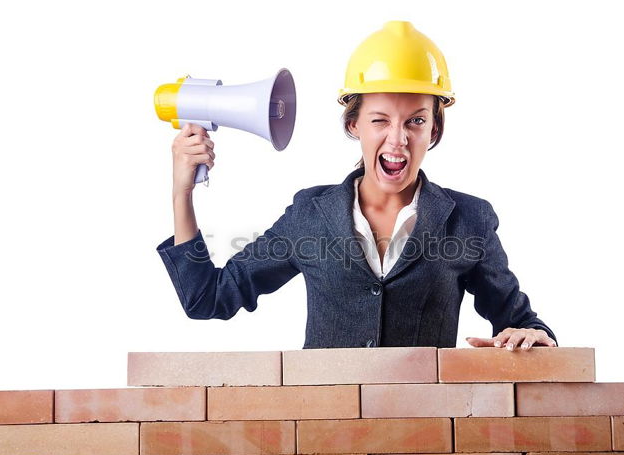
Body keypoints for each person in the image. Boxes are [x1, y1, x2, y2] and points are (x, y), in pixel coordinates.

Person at [156, 20, 557, 351]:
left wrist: (532, 337)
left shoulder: (469, 220)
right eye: (380, 120)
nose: (398, 140)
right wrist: (182, 194)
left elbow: (521, 323)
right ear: (354, 125)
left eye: (416, 121)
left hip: (425, 435)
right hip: (323, 434)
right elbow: (207, 298)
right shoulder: (311, 216)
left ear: (435, 127)